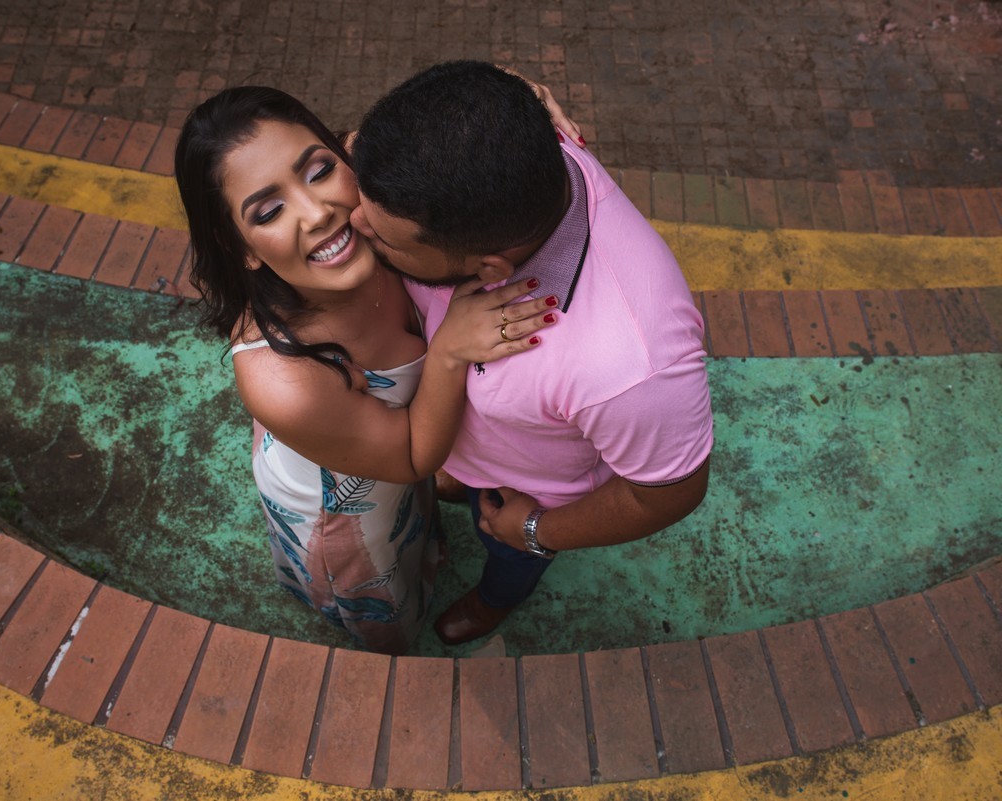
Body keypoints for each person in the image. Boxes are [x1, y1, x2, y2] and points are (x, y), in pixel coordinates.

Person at [174, 86, 558, 654]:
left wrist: (521, 97)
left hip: (394, 461)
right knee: (387, 590)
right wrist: (449, 350)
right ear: (241, 248)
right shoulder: (282, 382)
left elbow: (455, 116)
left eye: (319, 170)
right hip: (349, 508)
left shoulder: (369, 196)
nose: (317, 212)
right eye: (269, 211)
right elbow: (411, 456)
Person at [350, 61, 714, 646]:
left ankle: (496, 598)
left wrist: (538, 529)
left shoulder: (631, 369)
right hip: (471, 444)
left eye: (384, 236)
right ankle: (463, 478)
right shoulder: (512, 140)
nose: (353, 223)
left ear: (490, 269)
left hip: (525, 493)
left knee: (506, 552)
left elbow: (670, 493)